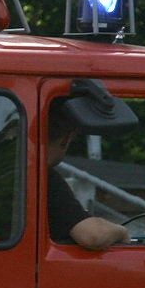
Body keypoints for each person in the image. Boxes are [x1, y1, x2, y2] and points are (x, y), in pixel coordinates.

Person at [47, 104, 130, 250]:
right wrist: (122, 232)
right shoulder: (44, 180)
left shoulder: (4, 171)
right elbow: (93, 236)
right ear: (66, 138)